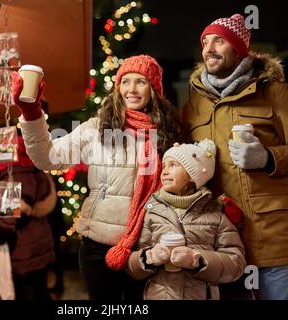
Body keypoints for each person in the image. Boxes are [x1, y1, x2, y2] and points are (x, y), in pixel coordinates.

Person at [181, 13, 288, 300]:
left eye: (219, 41)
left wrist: (268, 158)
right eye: (205, 42)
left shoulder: (273, 92)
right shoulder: (193, 104)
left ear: (238, 49)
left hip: (269, 235)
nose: (208, 48)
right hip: (220, 240)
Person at [12, 55, 182, 300]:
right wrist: (31, 113)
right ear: (117, 87)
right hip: (97, 249)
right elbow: (47, 157)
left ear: (154, 89)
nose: (131, 89)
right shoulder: (97, 128)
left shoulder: (168, 132)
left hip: (147, 248)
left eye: (140, 82)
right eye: (125, 81)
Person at [127, 139, 246, 299]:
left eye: (173, 165)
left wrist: (197, 261)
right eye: (164, 166)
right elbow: (131, 263)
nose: (164, 172)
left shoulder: (216, 214)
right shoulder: (152, 210)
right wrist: (148, 257)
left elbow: (236, 263)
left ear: (192, 175)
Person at [0, 135, 57, 300]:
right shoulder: (36, 170)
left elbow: (8, 218)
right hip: (39, 240)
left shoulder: (15, 174)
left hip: (23, 246)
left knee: (25, 291)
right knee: (39, 288)